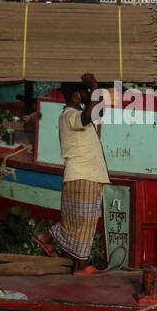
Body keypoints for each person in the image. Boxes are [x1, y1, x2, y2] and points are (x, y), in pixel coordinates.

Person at [35, 74, 109, 272]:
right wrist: (93, 85)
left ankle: (49, 238)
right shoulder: (70, 114)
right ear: (77, 94)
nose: (88, 96)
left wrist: (96, 88)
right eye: (85, 92)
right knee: (84, 223)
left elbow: (98, 110)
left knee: (80, 221)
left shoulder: (73, 114)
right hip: (83, 175)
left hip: (86, 175)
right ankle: (80, 267)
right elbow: (89, 115)